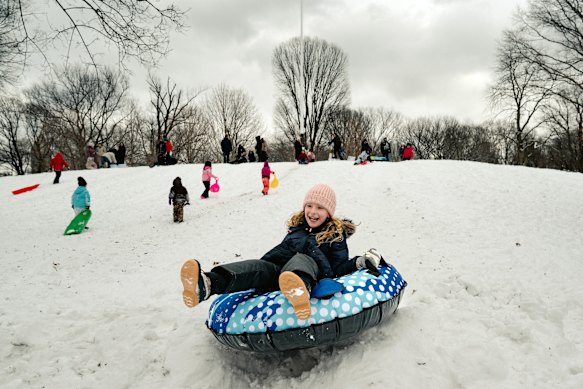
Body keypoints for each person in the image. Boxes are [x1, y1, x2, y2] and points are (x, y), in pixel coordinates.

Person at [179, 184, 384, 320]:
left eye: (320, 208)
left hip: (310, 274)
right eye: (309, 206)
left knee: (302, 259)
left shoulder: (335, 235)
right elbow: (279, 253)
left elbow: (339, 267)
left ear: (329, 213)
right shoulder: (297, 229)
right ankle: (207, 283)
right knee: (256, 267)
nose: (313, 212)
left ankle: (299, 290)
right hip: (279, 272)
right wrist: (262, 267)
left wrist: (359, 261)